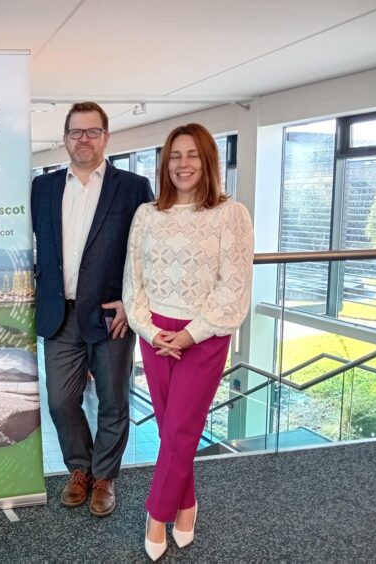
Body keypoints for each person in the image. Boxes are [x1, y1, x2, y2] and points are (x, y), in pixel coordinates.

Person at [123, 123, 254, 559]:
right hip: (157, 334)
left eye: (193, 155)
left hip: (205, 333)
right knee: (172, 430)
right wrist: (148, 327)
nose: (183, 164)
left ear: (209, 161)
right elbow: (133, 281)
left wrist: (190, 333)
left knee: (179, 428)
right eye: (175, 156)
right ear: (165, 164)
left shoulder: (230, 214)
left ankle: (155, 514)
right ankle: (187, 504)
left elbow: (233, 286)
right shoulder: (146, 215)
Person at [31, 102, 153, 517]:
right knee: (61, 401)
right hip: (58, 313)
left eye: (92, 131)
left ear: (106, 137)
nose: (83, 139)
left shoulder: (134, 187)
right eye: (75, 132)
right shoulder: (42, 188)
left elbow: (146, 252)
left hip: (109, 315)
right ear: (64, 138)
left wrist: (131, 301)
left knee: (113, 401)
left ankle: (104, 478)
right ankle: (78, 468)